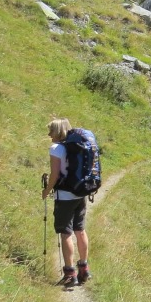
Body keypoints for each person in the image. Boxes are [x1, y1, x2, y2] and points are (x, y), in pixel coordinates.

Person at [43, 118, 91, 288]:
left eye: (51, 131)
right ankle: (84, 268)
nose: (49, 135)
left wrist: (46, 191)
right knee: (80, 230)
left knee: (66, 233)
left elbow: (55, 175)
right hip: (81, 194)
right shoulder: (78, 147)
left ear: (57, 132)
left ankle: (70, 274)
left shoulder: (56, 149)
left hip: (65, 196)